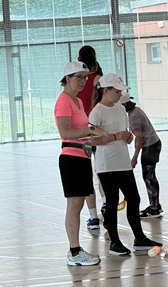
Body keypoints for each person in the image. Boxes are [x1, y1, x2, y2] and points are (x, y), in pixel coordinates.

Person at [89, 74, 162, 255]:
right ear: (105, 90)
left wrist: (127, 137)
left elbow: (123, 132)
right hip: (107, 164)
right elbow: (92, 140)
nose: (120, 95)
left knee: (134, 198)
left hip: (123, 161)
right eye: (116, 91)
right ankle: (114, 242)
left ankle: (139, 238)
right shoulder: (97, 112)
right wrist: (116, 136)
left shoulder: (121, 109)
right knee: (112, 201)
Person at [54, 61, 108, 266]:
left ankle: (76, 250)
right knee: (74, 205)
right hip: (71, 158)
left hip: (83, 156)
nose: (83, 81)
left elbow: (84, 131)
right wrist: (91, 130)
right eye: (79, 77)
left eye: (85, 77)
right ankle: (74, 251)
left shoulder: (77, 101)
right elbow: (66, 132)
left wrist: (99, 134)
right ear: (68, 78)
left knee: (78, 204)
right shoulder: (63, 101)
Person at [121, 92, 163, 218]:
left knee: (149, 176)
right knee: (149, 176)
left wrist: (134, 158)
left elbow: (139, 138)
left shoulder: (133, 116)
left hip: (151, 146)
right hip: (153, 144)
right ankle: (155, 205)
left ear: (124, 104)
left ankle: (154, 208)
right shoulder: (135, 111)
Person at [77, 45, 104, 231]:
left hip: (82, 131)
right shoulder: (97, 78)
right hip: (96, 127)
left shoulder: (76, 81)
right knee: (102, 169)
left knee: (87, 173)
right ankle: (106, 205)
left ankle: (94, 217)